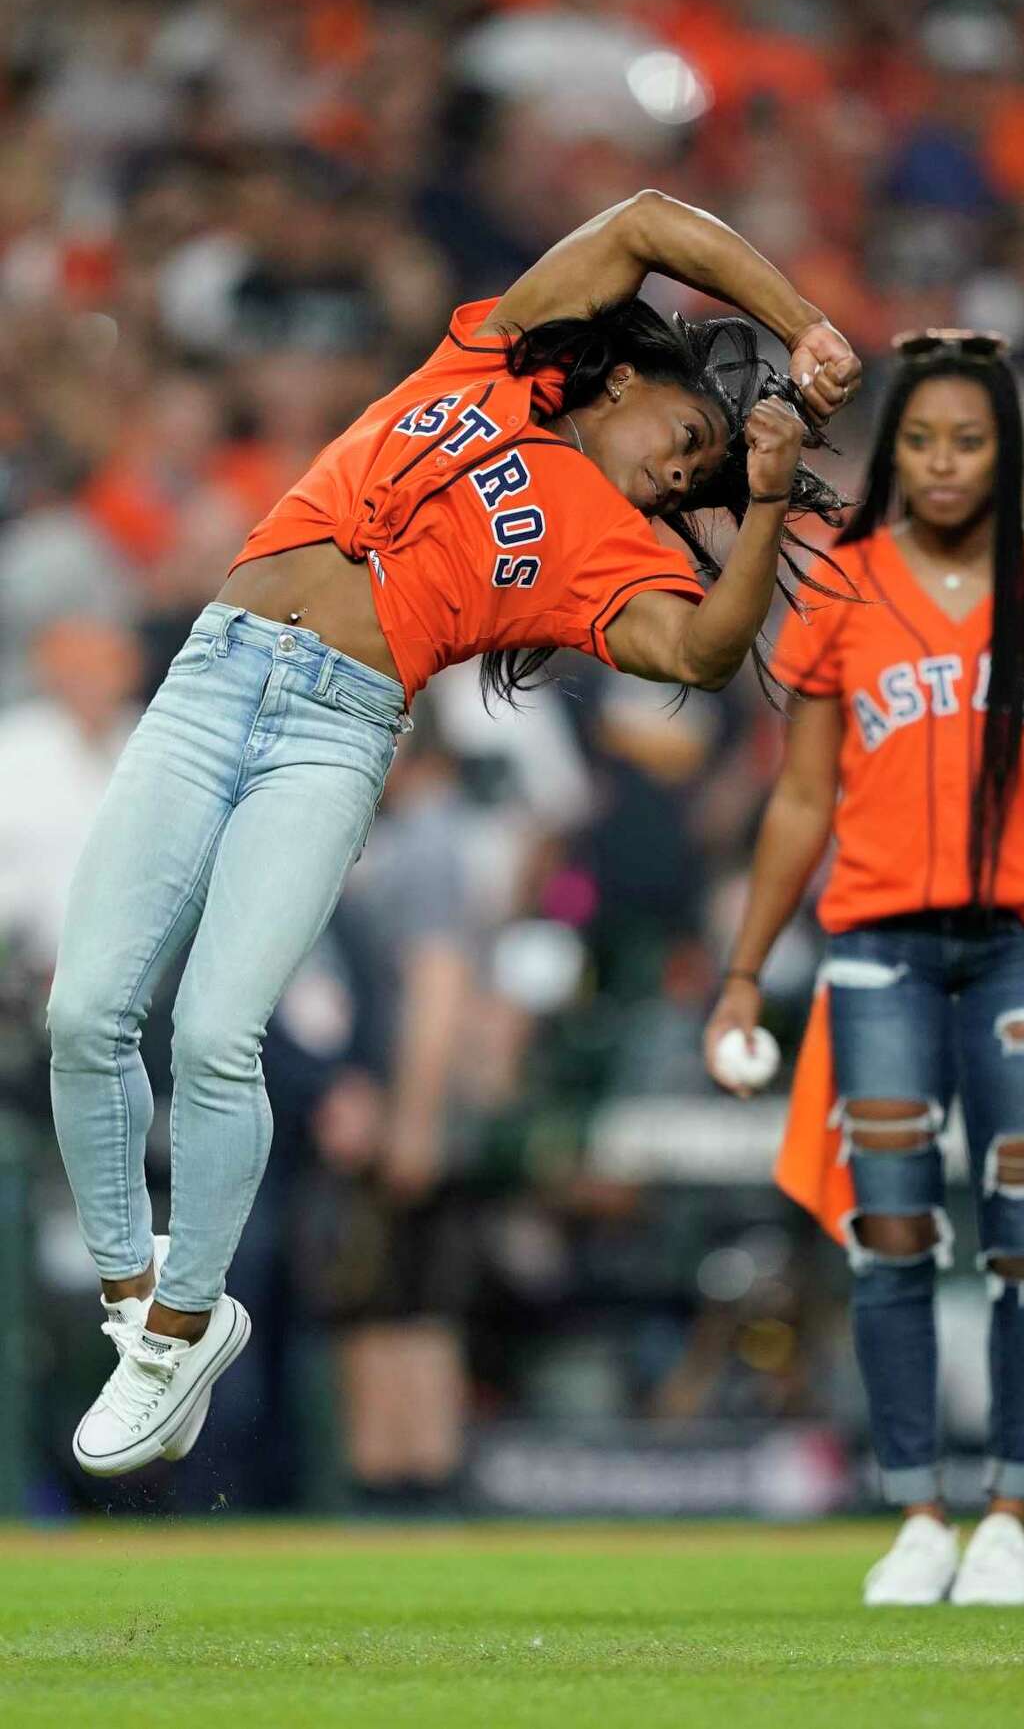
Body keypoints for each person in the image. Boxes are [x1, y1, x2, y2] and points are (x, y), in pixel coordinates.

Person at [46, 188, 861, 1476]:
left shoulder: (611, 554)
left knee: (213, 1031)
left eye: (696, 478)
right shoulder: (501, 354)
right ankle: (130, 1302)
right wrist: (801, 320)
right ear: (636, 369)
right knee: (85, 1013)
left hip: (337, 725)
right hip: (210, 675)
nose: (681, 469)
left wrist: (759, 501)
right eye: (691, 435)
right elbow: (648, 220)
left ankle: (180, 1326)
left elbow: (707, 650)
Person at [705, 330, 1024, 1606]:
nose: (943, 462)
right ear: (894, 452)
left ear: (1008, 448)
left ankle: (1013, 1510)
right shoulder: (844, 587)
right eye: (920, 438)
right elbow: (801, 798)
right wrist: (746, 972)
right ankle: (917, 1507)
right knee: (893, 1234)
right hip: (878, 947)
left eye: (968, 438)